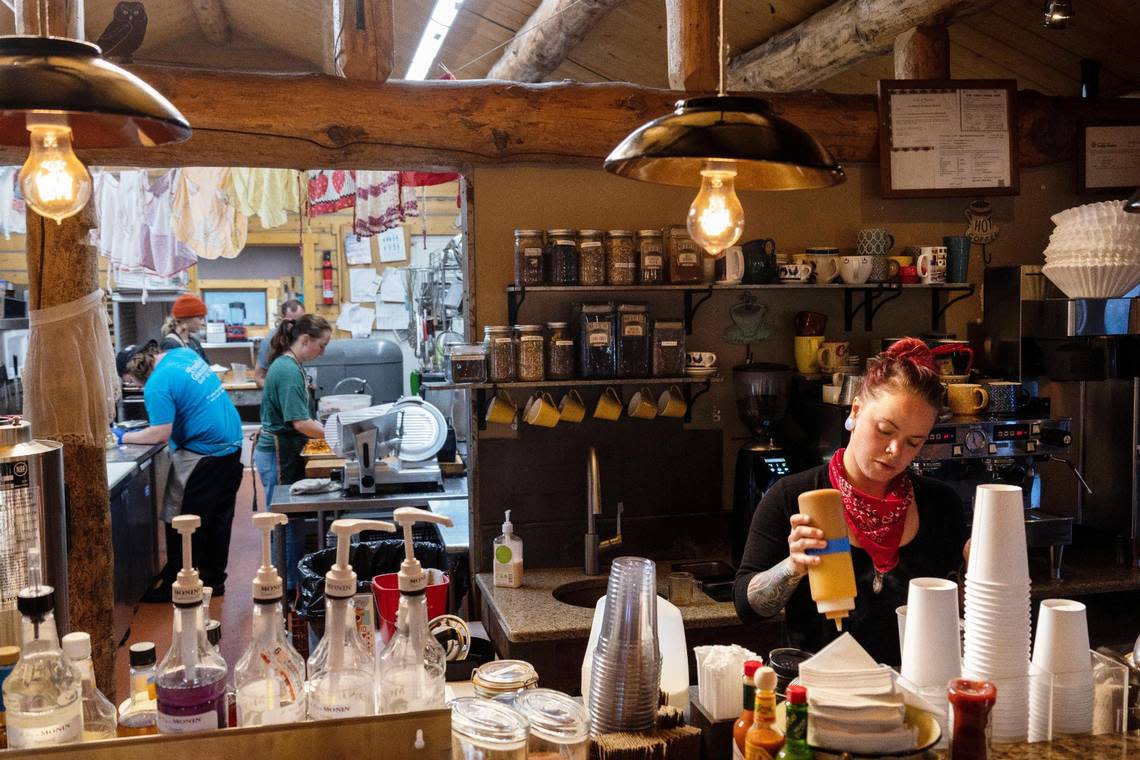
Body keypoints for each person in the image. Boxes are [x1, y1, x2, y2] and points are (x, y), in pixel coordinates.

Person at [733, 338, 967, 665]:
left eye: (914, 442)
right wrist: (793, 566)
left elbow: (962, 612)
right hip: (815, 691)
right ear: (856, 410)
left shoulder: (942, 506)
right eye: (885, 430)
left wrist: (977, 572)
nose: (895, 451)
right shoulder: (791, 497)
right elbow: (748, 607)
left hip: (911, 689)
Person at [116, 340, 244, 601]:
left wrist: (122, 437)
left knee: (180, 520)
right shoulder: (182, 355)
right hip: (231, 445)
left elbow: (162, 433)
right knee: (219, 519)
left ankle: (176, 585)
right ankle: (213, 580)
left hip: (203, 454)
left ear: (131, 376)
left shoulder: (156, 385)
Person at [254, 314, 331, 591]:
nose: (322, 352)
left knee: (293, 523)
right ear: (305, 339)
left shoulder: (292, 365)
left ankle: (291, 584)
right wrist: (339, 434)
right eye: (321, 346)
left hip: (285, 452)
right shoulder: (286, 370)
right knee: (285, 524)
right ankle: (285, 590)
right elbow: (300, 422)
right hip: (277, 456)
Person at [254, 299, 305, 388]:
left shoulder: (302, 338)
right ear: (282, 319)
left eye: (300, 321)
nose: (297, 325)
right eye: (292, 322)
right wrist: (279, 391)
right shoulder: (269, 341)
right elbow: (259, 379)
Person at [159, 293, 209, 362]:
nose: (202, 322)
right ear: (186, 320)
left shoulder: (194, 342)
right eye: (200, 318)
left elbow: (205, 366)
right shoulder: (170, 344)